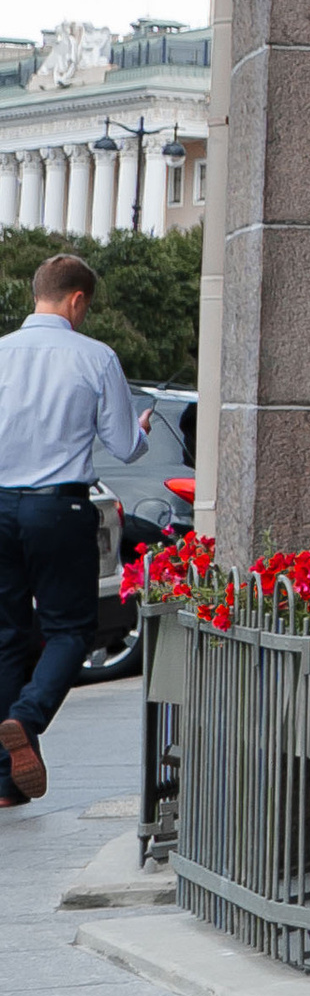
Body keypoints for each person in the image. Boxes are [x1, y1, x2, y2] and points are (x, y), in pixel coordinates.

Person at [0, 252, 142, 802]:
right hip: (58, 509)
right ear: (77, 299)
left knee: (8, 637)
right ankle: (27, 719)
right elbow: (127, 447)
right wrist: (143, 427)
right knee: (70, 631)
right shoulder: (95, 357)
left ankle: (6, 785)